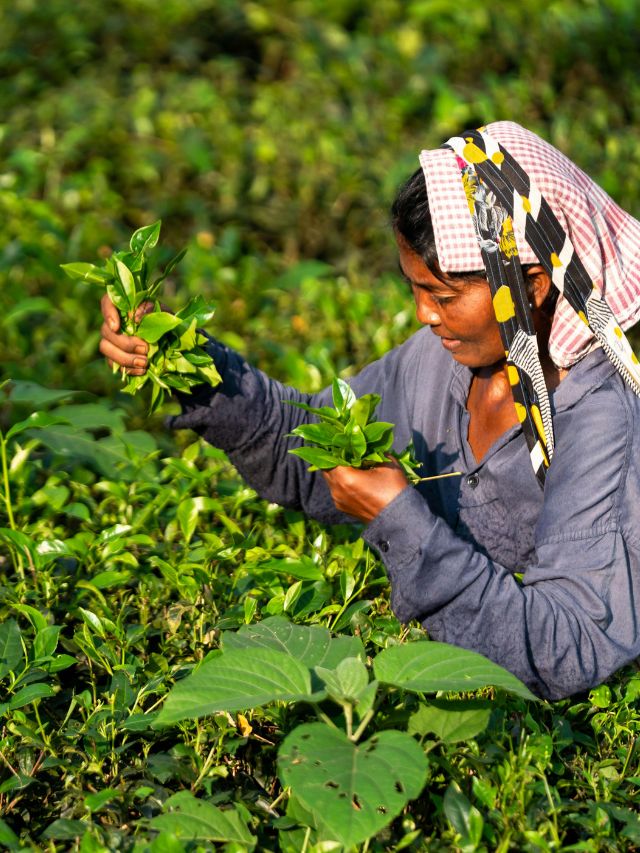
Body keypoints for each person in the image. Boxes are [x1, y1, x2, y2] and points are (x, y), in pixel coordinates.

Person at [99, 121, 640, 701]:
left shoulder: (604, 420)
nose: (425, 317)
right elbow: (310, 441)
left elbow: (571, 650)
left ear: (531, 285)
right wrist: (184, 360)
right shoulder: (450, 361)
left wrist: (403, 523)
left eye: (444, 297)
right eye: (415, 290)